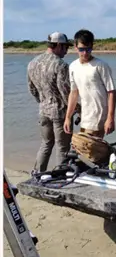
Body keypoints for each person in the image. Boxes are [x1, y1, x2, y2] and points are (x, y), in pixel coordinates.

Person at [27, 32, 73, 172]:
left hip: (43, 110)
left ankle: (37, 174)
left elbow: (32, 89)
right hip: (59, 113)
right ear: (58, 45)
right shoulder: (61, 65)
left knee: (46, 144)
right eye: (65, 47)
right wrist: (75, 111)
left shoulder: (32, 63)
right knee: (62, 147)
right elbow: (65, 93)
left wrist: (42, 102)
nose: (66, 51)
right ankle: (61, 176)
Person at [64, 29, 116, 139]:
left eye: (88, 49)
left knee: (92, 150)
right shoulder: (73, 67)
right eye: (82, 49)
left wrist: (110, 118)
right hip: (85, 116)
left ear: (92, 46)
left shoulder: (101, 66)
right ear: (75, 47)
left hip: (99, 116)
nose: (85, 53)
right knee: (86, 150)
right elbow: (74, 93)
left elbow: (111, 92)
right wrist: (68, 117)